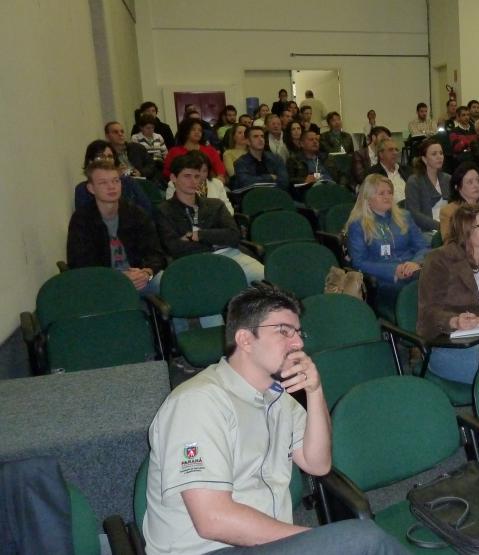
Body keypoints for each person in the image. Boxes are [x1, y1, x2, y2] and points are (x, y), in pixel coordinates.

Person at [143, 283, 405, 554]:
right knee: (362, 539)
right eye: (284, 331)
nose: (299, 343)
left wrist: (315, 392)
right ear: (245, 340)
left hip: (261, 544)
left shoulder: (278, 398)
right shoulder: (198, 403)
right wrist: (314, 540)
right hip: (207, 549)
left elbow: (318, 463)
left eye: (298, 332)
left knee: (356, 540)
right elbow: (213, 520)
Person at [418, 205, 479, 384]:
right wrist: (454, 321)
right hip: (444, 343)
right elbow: (427, 313)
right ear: (465, 231)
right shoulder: (439, 260)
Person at [156, 154, 263, 283]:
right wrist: (215, 240)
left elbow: (234, 235)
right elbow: (174, 247)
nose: (193, 181)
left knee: (268, 277)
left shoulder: (215, 204)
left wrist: (199, 235)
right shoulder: (163, 210)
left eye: (196, 176)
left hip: (230, 254)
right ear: (173, 178)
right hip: (194, 262)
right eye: (187, 176)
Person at [67, 159, 166, 295]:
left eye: (115, 181)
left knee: (172, 285)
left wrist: (147, 273)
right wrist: (117, 277)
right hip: (104, 283)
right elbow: (80, 264)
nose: (111, 187)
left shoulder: (136, 213)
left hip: (139, 278)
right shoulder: (81, 220)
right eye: (103, 183)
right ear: (91, 188)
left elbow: (156, 253)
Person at [347, 174, 429, 311]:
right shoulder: (358, 225)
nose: (387, 197)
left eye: (390, 192)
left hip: (413, 269)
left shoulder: (405, 216)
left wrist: (416, 262)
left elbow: (423, 246)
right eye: (381, 193)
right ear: (368, 198)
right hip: (385, 279)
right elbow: (359, 262)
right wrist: (393, 271)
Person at [74, 140, 153, 216]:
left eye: (110, 157)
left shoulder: (128, 182)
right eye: (101, 157)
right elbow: (84, 218)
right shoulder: (83, 189)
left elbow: (146, 209)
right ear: (90, 161)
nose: (106, 160)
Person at [438, 162, 479, 242]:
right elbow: (449, 244)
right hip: (464, 253)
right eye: (470, 182)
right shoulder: (448, 212)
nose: (476, 185)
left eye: (478, 180)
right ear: (457, 187)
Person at [165, 151, 233, 215]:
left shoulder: (217, 183)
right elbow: (173, 211)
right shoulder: (174, 184)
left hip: (217, 224)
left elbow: (229, 209)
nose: (200, 175)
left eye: (204, 171)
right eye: (198, 170)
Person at [405, 138, 451, 233]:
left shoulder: (448, 178)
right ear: (424, 159)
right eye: (434, 154)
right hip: (426, 231)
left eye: (441, 153)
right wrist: (440, 226)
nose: (439, 157)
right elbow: (414, 214)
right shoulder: (414, 181)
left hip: (449, 227)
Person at [163, 117, 227, 182]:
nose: (197, 132)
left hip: (208, 185)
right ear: (185, 131)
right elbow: (166, 172)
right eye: (193, 129)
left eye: (200, 130)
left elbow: (220, 171)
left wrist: (219, 180)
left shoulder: (210, 150)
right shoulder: (174, 151)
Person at [234, 126, 290, 192]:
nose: (260, 139)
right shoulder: (241, 163)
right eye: (256, 136)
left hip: (277, 195)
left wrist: (258, 181)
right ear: (248, 141)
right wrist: (270, 177)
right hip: (254, 198)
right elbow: (246, 183)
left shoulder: (276, 158)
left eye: (262, 136)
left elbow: (284, 181)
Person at [367, 138, 409, 203]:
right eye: (390, 150)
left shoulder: (407, 170)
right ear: (381, 154)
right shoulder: (373, 173)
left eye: (396, 150)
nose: (395, 153)